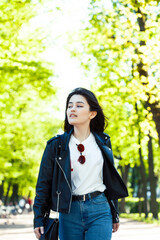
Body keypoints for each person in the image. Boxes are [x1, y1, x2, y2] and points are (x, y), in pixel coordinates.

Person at [33, 87, 128, 240]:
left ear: (92, 113)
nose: (72, 109)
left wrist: (114, 213)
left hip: (100, 208)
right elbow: (43, 183)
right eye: (69, 106)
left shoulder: (103, 142)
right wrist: (38, 217)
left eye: (79, 105)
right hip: (69, 211)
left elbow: (109, 180)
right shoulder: (56, 145)